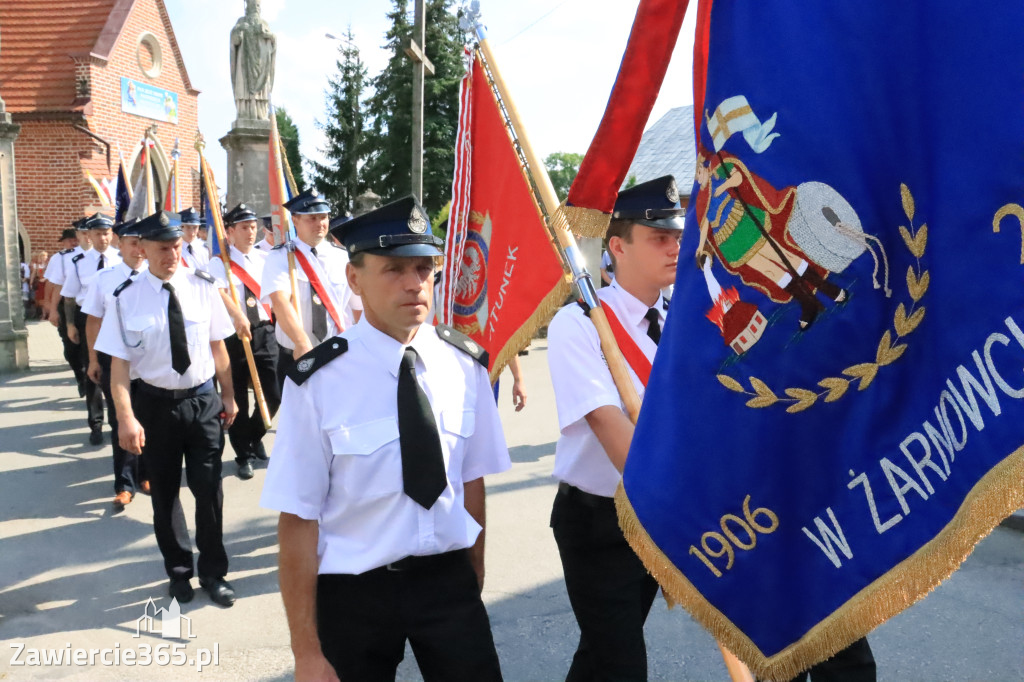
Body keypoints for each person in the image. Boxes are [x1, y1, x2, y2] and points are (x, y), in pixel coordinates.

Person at [262, 196, 510, 682]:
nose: (414, 283)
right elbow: (298, 518)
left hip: (448, 583)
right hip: (355, 591)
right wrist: (306, 652)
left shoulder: (465, 366)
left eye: (424, 268)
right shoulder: (319, 382)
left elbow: (472, 481)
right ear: (355, 279)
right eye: (394, 269)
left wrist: (471, 577)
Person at [547, 175, 683, 682]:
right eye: (659, 238)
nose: (674, 247)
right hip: (602, 521)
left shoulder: (686, 321)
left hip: (666, 511)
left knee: (602, 658)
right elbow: (608, 425)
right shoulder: (580, 324)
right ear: (618, 246)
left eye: (677, 236)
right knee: (619, 662)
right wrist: (682, 502)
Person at [95, 210, 239, 607]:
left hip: (202, 401)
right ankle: (178, 572)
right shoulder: (126, 297)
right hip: (155, 406)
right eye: (163, 248)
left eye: (177, 246)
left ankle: (213, 572)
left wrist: (228, 395)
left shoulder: (202, 286)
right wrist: (126, 418)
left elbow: (218, 347)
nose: (172, 255)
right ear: (142, 249)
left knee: (209, 490)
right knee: (164, 493)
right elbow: (119, 368)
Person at [260, 189, 361, 391]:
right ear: (295, 221)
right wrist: (301, 342)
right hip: (297, 353)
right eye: (312, 218)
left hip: (338, 352)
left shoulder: (342, 258)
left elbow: (358, 308)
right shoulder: (281, 257)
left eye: (323, 217)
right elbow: (279, 302)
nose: (319, 224)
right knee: (301, 420)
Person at [208, 203, 280, 480]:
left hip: (264, 331)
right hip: (234, 335)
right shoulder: (219, 262)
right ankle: (243, 455)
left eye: (253, 227)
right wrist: (237, 314)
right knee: (238, 396)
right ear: (229, 232)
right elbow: (219, 292)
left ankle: (253, 435)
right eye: (244, 228)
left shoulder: (265, 259)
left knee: (274, 393)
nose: (251, 233)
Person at [82, 218, 148, 508]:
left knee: (149, 418)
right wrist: (94, 359)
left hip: (149, 362)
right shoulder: (104, 279)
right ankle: (124, 483)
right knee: (121, 419)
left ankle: (146, 473)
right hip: (114, 361)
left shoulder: (156, 276)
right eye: (132, 242)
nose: (138, 249)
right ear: (119, 244)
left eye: (142, 242)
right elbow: (93, 321)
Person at [62, 213, 121, 445]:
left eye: (106, 233)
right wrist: (69, 324)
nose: (103, 238)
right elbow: (69, 297)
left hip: (115, 317)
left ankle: (119, 417)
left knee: (118, 367)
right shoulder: (79, 263)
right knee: (92, 370)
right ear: (89, 235)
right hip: (87, 318)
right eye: (98, 234)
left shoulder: (120, 259)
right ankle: (96, 424)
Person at [44, 224, 88, 396]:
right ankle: (80, 374)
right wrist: (52, 308)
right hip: (66, 306)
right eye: (70, 240)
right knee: (71, 349)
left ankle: (89, 381)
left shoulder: (94, 256)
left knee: (89, 348)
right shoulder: (60, 258)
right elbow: (55, 284)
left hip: (89, 308)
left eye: (75, 239)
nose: (73, 243)